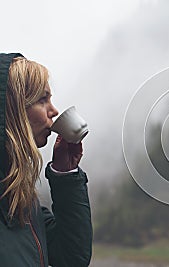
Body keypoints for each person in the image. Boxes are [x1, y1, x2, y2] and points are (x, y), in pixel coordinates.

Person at [0, 53, 92, 266]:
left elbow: (71, 258)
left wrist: (65, 174)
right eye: (42, 100)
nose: (54, 110)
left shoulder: (21, 201)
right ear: (11, 111)